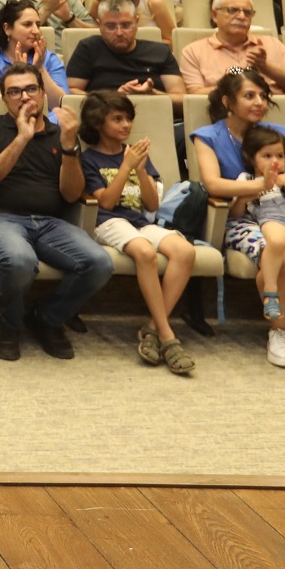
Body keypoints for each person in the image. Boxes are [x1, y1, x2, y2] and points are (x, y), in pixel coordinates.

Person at [0, 65, 112, 361]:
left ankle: (46, 318)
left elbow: (72, 194)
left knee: (99, 263)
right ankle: (9, 325)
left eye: (31, 89)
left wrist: (70, 148)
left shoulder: (63, 134)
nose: (24, 97)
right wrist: (21, 138)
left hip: (50, 223)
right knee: (20, 259)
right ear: (5, 99)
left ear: (44, 93)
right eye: (14, 92)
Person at [191, 69, 285, 367]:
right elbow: (214, 185)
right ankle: (279, 332)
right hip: (239, 218)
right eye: (249, 96)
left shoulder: (279, 133)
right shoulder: (208, 136)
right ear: (228, 101)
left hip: (284, 213)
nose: (259, 102)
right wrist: (270, 183)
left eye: (263, 96)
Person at [76, 91, 197, 376]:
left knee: (185, 251)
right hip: (107, 222)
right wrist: (126, 167)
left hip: (139, 220)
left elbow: (153, 204)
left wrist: (140, 171)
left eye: (129, 118)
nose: (126, 125)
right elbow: (105, 201)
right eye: (117, 119)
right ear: (97, 123)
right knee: (144, 251)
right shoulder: (89, 159)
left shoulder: (136, 155)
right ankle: (168, 337)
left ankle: (154, 328)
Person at [178, 0, 285, 95]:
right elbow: (195, 96)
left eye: (247, 12)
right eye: (233, 10)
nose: (242, 16)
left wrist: (266, 68)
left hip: (275, 119)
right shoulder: (194, 51)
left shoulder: (271, 44)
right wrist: (237, 84)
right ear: (214, 15)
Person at [67, 0, 186, 98]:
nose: (119, 33)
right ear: (99, 25)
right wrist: (113, 97)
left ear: (137, 22)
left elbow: (181, 99)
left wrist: (153, 94)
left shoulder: (160, 52)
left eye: (126, 25)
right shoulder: (89, 48)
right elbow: (71, 91)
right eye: (111, 26)